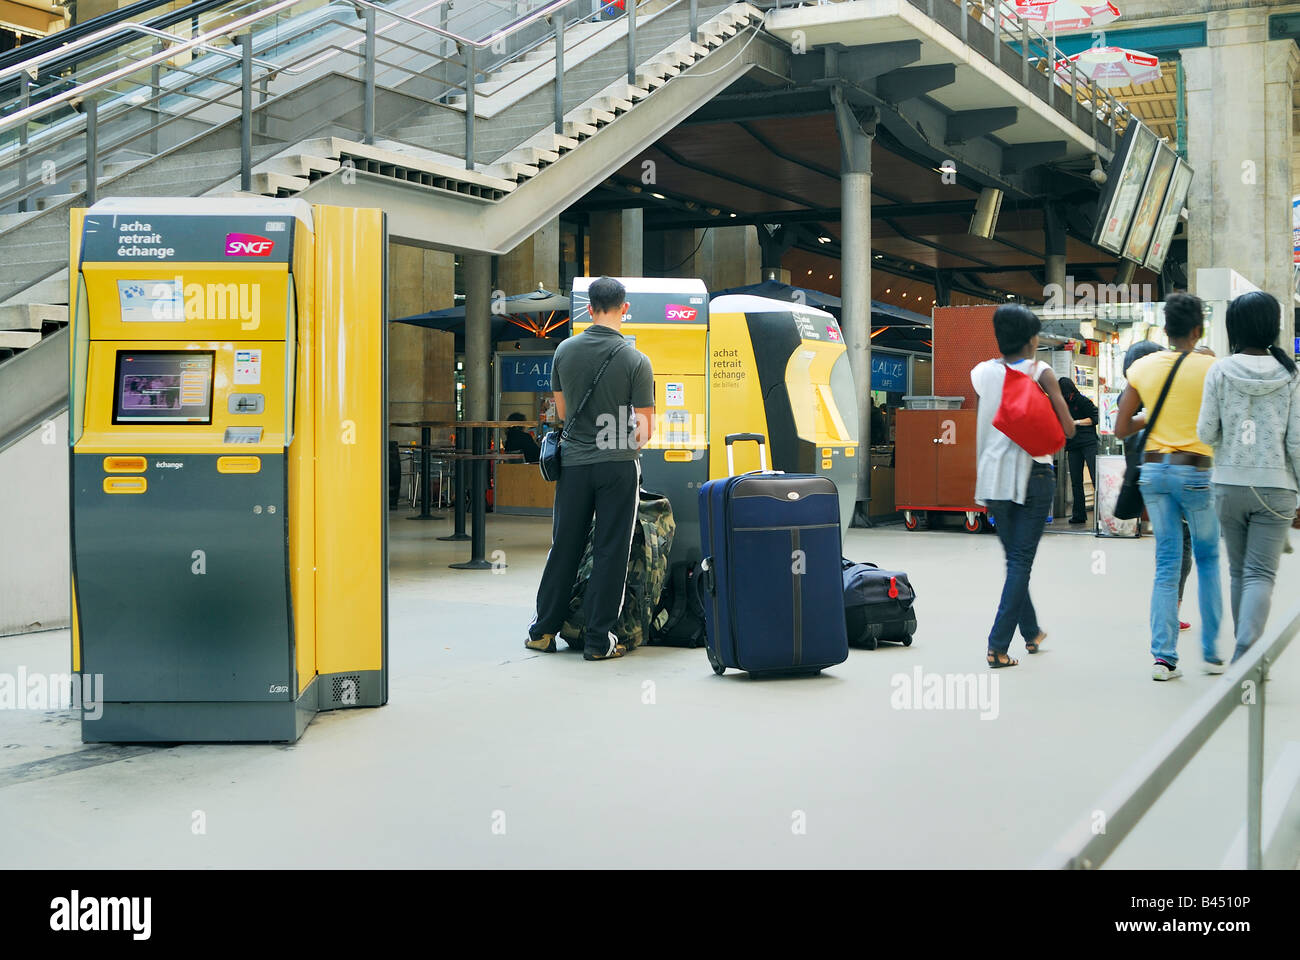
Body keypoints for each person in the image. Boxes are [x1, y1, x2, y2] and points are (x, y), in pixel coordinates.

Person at [526, 276, 655, 662]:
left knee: (564, 546)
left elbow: (563, 414)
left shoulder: (564, 351)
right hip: (617, 467)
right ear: (624, 308)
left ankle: (543, 631)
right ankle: (599, 640)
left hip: (576, 467)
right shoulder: (636, 360)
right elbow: (644, 431)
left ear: (588, 308)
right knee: (611, 550)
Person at [1115, 292, 1222, 680]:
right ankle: (1210, 652)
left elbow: (1122, 427)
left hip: (1155, 473)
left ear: (1166, 330)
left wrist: (1151, 421)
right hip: (1195, 471)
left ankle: (1163, 658)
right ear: (1199, 330)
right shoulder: (1211, 367)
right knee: (1208, 559)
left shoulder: (1145, 368)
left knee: (1166, 564)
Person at [1196, 291, 1300, 663]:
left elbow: (1205, 432)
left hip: (1228, 484)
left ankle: (1246, 655)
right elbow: (1297, 442)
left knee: (1239, 572)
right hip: (1277, 487)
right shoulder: (1290, 373)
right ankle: (1247, 654)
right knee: (1261, 574)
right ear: (1273, 326)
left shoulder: (1219, 370)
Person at [972, 305, 1076, 668]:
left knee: (1014, 557)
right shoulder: (1041, 370)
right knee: (1020, 561)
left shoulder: (981, 372)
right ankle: (997, 646)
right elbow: (1068, 428)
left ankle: (1030, 631)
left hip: (992, 478)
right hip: (1033, 475)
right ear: (1032, 340)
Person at [1124, 340, 1193, 631]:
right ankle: (1170, 614)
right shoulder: (1155, 403)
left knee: (1168, 547)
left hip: (1150, 481)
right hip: (1171, 476)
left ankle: (1167, 614)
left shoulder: (1129, 400)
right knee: (1182, 544)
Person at [1058, 377, 1099, 525]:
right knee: (1076, 481)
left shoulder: (1082, 400)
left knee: (1096, 478)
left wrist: (1076, 422)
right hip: (1073, 445)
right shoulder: (1063, 404)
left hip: (1089, 442)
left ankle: (1101, 513)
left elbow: (1096, 417)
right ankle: (1079, 515)